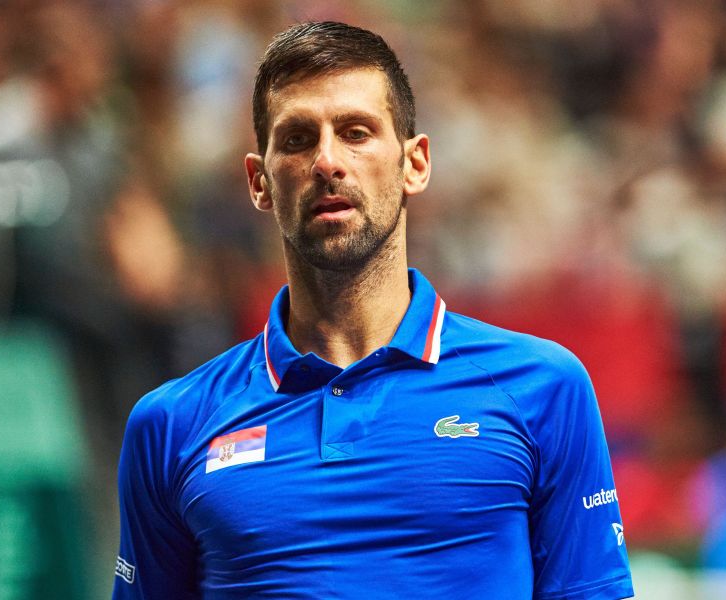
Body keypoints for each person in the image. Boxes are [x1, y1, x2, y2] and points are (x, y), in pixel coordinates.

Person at [114, 21, 634, 600]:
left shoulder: (543, 388)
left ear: (415, 163)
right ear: (259, 183)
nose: (327, 161)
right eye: (297, 139)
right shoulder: (170, 427)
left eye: (356, 132)